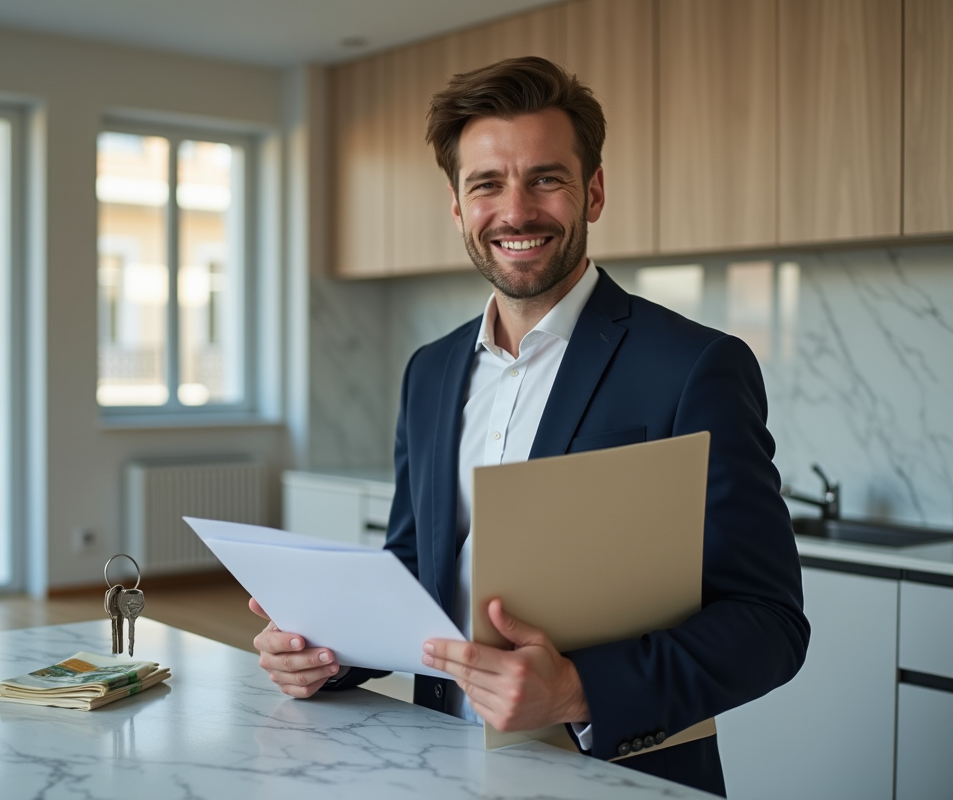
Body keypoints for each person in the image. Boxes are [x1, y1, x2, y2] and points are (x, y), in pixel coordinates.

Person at [249, 56, 808, 796]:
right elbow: (419, 574)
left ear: (593, 192)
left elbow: (770, 624)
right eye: (486, 184)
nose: (516, 211)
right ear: (456, 205)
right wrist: (325, 652)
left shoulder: (695, 367)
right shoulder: (430, 370)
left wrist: (580, 689)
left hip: (620, 775)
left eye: (546, 178)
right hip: (439, 767)